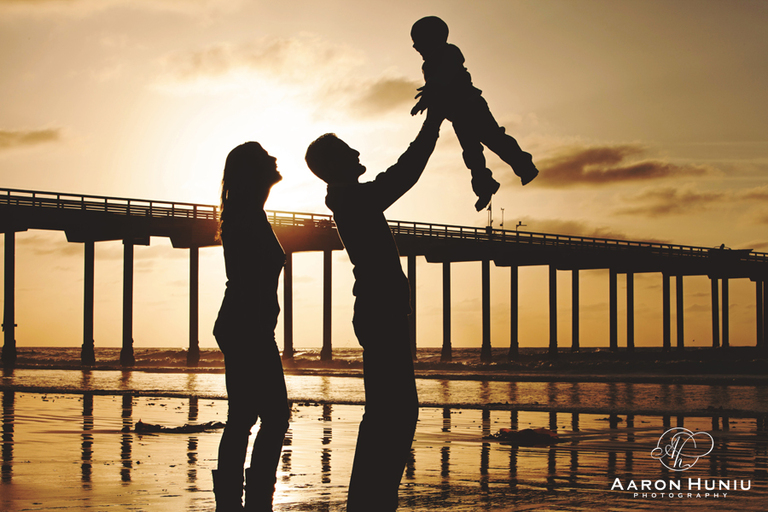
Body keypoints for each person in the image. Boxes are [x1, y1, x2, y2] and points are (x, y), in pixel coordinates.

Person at [305, 109, 443, 511]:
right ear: (333, 165)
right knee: (395, 412)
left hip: (378, 310)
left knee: (390, 411)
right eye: (349, 150)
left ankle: (372, 498)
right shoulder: (353, 199)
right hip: (380, 311)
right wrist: (432, 125)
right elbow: (404, 174)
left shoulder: (350, 199)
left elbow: (399, 177)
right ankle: (372, 499)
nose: (357, 151)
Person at [212, 142, 290, 512]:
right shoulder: (246, 215)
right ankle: (255, 495)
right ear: (252, 173)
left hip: (246, 324)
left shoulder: (249, 211)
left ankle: (238, 496)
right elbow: (245, 279)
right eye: (265, 158)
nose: (274, 159)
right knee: (272, 415)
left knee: (245, 415)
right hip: (248, 326)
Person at [410, 15, 539, 211]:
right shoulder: (428, 65)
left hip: (472, 107)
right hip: (457, 115)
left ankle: (523, 164)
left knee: (494, 139)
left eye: (418, 42)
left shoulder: (449, 52)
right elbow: (436, 88)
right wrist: (427, 99)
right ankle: (484, 186)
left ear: (432, 38)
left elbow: (445, 76)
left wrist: (431, 90)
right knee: (471, 153)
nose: (415, 47)